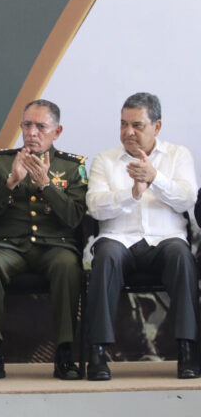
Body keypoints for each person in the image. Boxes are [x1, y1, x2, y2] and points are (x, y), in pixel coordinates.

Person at [86, 92, 199, 380]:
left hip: (165, 241)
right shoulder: (105, 160)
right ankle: (97, 353)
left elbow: (187, 200)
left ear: (156, 126)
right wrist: (132, 193)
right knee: (106, 255)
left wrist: (154, 178)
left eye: (137, 125)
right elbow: (95, 207)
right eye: (123, 124)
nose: (128, 132)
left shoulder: (178, 155)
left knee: (181, 255)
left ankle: (188, 350)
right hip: (119, 240)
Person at [0, 100, 86, 381]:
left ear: (56, 132)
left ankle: (65, 353)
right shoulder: (0, 162)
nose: (32, 132)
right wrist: (10, 183)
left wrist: (47, 185)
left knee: (68, 266)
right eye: (27, 125)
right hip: (11, 246)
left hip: (54, 246)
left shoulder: (72, 167)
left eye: (40, 127)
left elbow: (74, 218)